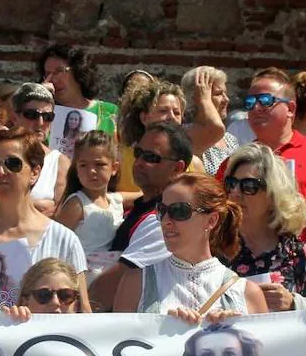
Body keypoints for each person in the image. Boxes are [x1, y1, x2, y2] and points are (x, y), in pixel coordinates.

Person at [221, 67, 306, 270]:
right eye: (250, 103)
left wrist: (299, 213)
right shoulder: (235, 162)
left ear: (291, 109)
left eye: (266, 101)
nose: (256, 108)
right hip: (246, 280)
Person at [0, 127, 91, 311]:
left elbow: (83, 313)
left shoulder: (64, 240)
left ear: (35, 172)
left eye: (12, 163)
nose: (1, 172)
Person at [113, 173, 268, 320]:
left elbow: (262, 348)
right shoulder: (135, 283)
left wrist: (231, 332)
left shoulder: (248, 293)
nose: (166, 220)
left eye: (179, 210)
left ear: (211, 220)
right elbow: (117, 344)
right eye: (162, 211)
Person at [88, 123, 192, 309]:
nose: (140, 162)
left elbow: (106, 292)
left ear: (177, 168)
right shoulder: (137, 209)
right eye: (138, 153)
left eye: (152, 157)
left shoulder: (164, 221)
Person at [221, 143, 306, 310]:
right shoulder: (215, 250)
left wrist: (293, 303)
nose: (235, 192)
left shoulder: (300, 254)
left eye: (248, 186)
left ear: (273, 196)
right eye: (231, 183)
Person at [116, 79, 208, 192]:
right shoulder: (120, 158)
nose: (171, 117)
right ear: (144, 118)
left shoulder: (194, 164)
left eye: (177, 112)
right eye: (163, 111)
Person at [55, 131, 130, 266]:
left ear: (114, 167)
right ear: (76, 168)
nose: (91, 171)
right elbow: (55, 243)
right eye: (83, 165)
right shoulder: (77, 204)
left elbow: (144, 196)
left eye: (99, 164)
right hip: (80, 275)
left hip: (108, 277)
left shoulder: (114, 201)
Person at [0, 257, 84, 320]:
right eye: (44, 295)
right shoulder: (8, 330)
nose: (55, 302)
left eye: (66, 296)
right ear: (24, 301)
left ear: (77, 304)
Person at [12, 83, 70, 215]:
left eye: (48, 117)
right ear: (15, 118)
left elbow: (59, 213)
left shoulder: (59, 162)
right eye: (32, 115)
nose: (40, 123)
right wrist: (36, 206)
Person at [38, 43, 118, 134]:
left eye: (60, 71)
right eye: (48, 74)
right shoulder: (39, 115)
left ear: (78, 70)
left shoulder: (110, 113)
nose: (53, 80)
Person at [180, 66, 239, 174]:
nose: (226, 99)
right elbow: (215, 128)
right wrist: (204, 99)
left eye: (225, 93)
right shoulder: (185, 134)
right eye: (218, 94)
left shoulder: (230, 139)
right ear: (196, 98)